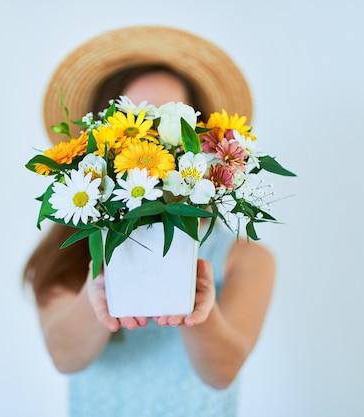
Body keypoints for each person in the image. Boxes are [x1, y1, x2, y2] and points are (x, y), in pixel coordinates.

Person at [24, 26, 275, 417]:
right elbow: (64, 357)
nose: (150, 141)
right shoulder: (68, 251)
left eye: (166, 124)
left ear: (200, 141)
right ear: (100, 142)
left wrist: (196, 309)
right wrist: (97, 295)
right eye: (134, 122)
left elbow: (222, 373)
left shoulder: (244, 257)